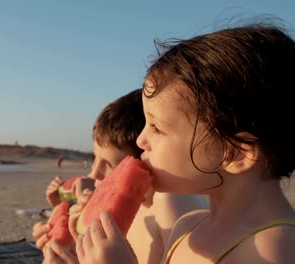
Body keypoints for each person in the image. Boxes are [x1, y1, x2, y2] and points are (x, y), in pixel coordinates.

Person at [75, 22, 295, 264]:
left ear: (234, 154)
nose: (140, 140)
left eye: (157, 128)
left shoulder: (277, 249)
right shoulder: (187, 226)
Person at [32, 89, 207, 263]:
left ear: (145, 159)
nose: (94, 173)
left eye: (109, 164)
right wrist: (70, 247)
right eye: (94, 157)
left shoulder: (171, 203)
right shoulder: (122, 207)